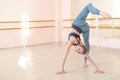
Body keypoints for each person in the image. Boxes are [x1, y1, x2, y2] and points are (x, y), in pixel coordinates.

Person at [56, 3, 111, 74]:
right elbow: (66, 55)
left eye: (78, 51)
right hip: (79, 24)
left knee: (87, 45)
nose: (77, 51)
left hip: (84, 28)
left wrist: (97, 68)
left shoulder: (79, 43)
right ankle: (99, 12)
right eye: (79, 50)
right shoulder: (73, 41)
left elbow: (86, 56)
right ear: (80, 45)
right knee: (88, 6)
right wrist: (62, 69)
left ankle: (85, 63)